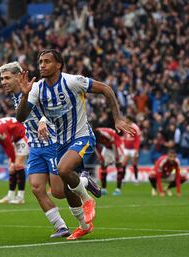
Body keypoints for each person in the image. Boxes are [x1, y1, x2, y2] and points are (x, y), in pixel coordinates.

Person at [16, 49, 135, 240]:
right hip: (60, 142)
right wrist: (24, 95)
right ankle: (83, 224)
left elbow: (106, 89)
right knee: (62, 191)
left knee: (63, 169)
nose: (42, 65)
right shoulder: (37, 88)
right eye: (40, 62)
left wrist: (118, 119)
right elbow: (21, 117)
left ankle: (87, 200)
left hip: (82, 135)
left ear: (58, 65)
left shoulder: (72, 81)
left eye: (47, 61)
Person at [0, 62, 101, 238]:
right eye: (1, 79)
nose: (3, 82)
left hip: (52, 142)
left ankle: (83, 181)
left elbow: (55, 105)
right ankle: (61, 227)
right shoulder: (17, 96)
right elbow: (22, 117)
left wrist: (43, 120)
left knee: (59, 192)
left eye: (7, 78)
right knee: (37, 188)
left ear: (19, 76)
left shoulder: (37, 87)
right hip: (36, 147)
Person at [93, 127, 125, 196]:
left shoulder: (105, 135)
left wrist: (116, 157)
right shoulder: (93, 136)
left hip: (117, 145)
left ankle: (118, 190)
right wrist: (100, 157)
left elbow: (114, 144)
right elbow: (94, 146)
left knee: (118, 165)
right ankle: (104, 189)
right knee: (103, 166)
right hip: (107, 147)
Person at [121, 116, 142, 184]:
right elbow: (124, 136)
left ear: (129, 119)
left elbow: (138, 138)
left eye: (126, 119)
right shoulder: (125, 126)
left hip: (133, 149)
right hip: (127, 148)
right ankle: (123, 179)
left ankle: (136, 179)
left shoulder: (135, 127)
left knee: (134, 164)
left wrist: (136, 149)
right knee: (123, 163)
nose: (124, 120)